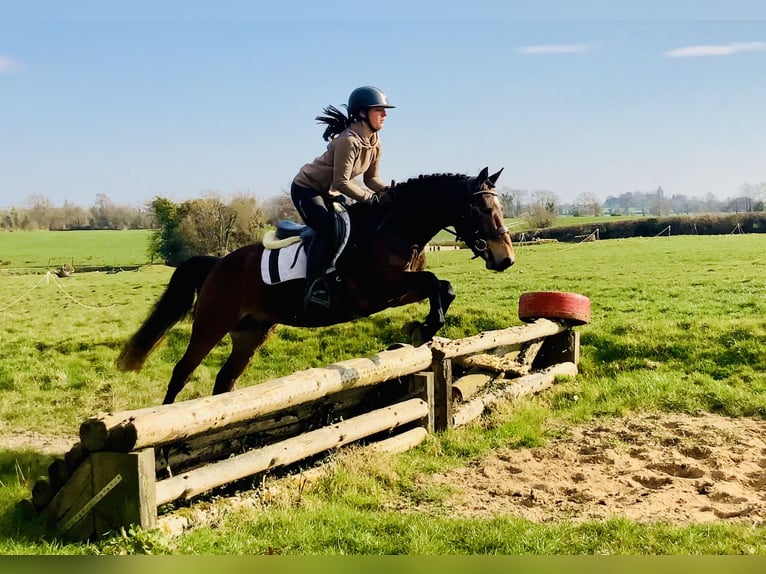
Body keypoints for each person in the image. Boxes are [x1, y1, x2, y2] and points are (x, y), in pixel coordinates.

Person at [291, 85, 395, 310]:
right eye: (379, 110)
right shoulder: (348, 141)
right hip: (307, 189)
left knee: (359, 225)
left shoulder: (375, 142)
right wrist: (371, 199)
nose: (385, 115)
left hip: (332, 193)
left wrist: (389, 191)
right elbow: (342, 182)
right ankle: (315, 286)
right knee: (329, 227)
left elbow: (371, 179)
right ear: (362, 113)